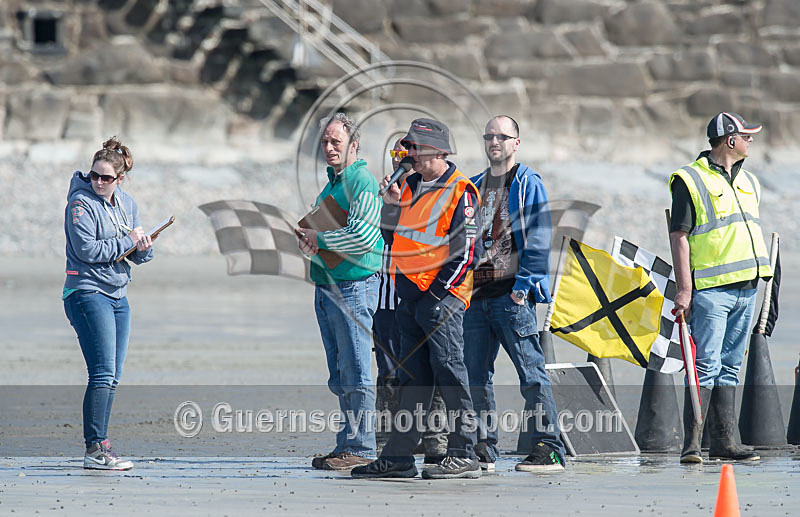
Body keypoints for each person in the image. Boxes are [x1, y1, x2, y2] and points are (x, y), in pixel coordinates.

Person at [352, 118, 483, 479]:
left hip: (443, 299)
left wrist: (438, 295)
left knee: (451, 374)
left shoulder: (462, 191)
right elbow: (390, 237)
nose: (409, 155)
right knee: (413, 380)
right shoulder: (407, 185)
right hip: (409, 297)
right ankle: (398, 456)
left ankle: (464, 452)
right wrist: (391, 205)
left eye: (416, 148)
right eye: (407, 148)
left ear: (439, 151)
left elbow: (468, 251)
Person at [669, 112, 771, 463]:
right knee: (705, 366)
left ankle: (724, 443)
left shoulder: (751, 182)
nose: (750, 140)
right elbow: (679, 236)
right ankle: (692, 444)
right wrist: (684, 290)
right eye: (746, 135)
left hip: (747, 287)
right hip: (711, 291)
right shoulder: (689, 179)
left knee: (730, 366)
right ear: (730, 140)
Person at [465, 115, 566, 472]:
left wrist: (523, 288)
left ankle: (549, 446)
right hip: (477, 298)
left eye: (503, 137)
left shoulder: (527, 182)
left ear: (516, 143)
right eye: (489, 136)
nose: (495, 142)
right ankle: (483, 447)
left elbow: (539, 236)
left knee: (532, 374)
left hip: (512, 298)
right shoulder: (475, 185)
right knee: (475, 376)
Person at [295, 112, 384, 471]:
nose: (329, 148)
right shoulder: (332, 184)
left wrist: (320, 238)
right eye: (325, 143)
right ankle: (348, 443)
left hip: (354, 285)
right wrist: (310, 241)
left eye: (336, 142)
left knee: (358, 369)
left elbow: (363, 237)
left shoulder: (362, 180)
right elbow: (330, 236)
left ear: (354, 144)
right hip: (327, 284)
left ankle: (361, 446)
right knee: (339, 372)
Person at [63, 137, 155, 470]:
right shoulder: (79, 204)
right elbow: (87, 251)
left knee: (113, 375)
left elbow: (138, 254)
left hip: (118, 294)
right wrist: (126, 241)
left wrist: (143, 246)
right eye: (94, 176)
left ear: (120, 178)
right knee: (101, 374)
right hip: (86, 292)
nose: (98, 183)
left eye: (106, 178)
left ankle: (100, 445)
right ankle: (95, 449)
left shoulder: (128, 204)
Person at [372, 139, 448, 463]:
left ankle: (436, 442)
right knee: (389, 372)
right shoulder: (393, 192)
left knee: (432, 368)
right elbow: (385, 236)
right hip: (389, 299)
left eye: (408, 155)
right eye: (397, 155)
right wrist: (391, 202)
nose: (402, 161)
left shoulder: (435, 192)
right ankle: (388, 442)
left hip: (426, 296)